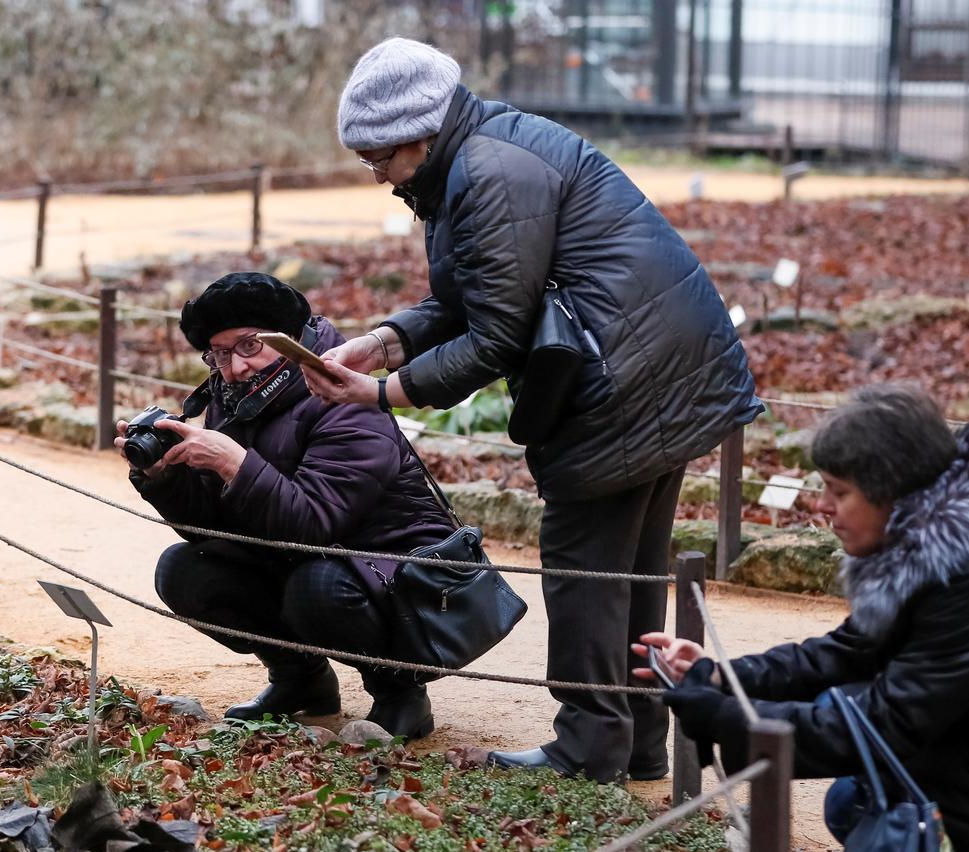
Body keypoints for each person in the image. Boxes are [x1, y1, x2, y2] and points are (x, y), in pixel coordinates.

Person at [302, 37, 763, 783]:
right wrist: (385, 343)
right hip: (664, 371)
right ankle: (636, 740)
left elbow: (495, 335)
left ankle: (586, 747)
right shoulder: (478, 154)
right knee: (632, 570)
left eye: (378, 157)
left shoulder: (486, 172)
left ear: (417, 133)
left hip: (621, 382)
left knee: (582, 568)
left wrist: (386, 393)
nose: (376, 174)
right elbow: (474, 293)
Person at [636, 385, 969, 852]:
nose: (820, 507)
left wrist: (732, 721)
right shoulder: (939, 548)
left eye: (838, 492)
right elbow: (845, 652)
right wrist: (725, 678)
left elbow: (886, 722)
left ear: (893, 493)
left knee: (871, 803)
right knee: (853, 801)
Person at [116, 272, 455, 739]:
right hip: (306, 557)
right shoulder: (234, 400)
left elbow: (316, 521)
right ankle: (300, 680)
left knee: (319, 586)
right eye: (218, 354)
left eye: (249, 345)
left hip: (398, 571)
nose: (235, 367)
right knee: (184, 569)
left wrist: (236, 464)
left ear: (292, 337)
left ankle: (400, 693)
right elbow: (217, 529)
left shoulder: (346, 396)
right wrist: (164, 478)